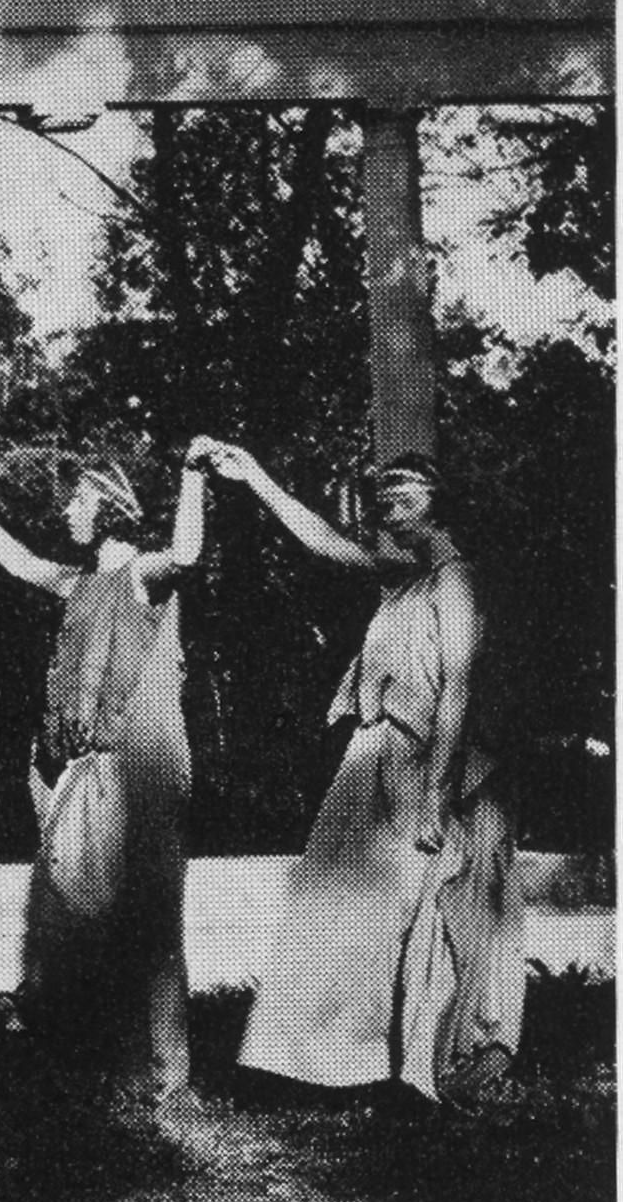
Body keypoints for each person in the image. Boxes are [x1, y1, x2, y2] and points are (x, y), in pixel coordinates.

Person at [202, 443, 517, 1101]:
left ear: (440, 498)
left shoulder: (455, 578)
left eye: (409, 487)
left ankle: (404, 1066)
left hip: (418, 765)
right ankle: (330, 1061)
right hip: (371, 761)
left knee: (397, 918)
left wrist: (435, 795)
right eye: (385, 488)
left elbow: (456, 689)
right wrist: (254, 473)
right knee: (337, 911)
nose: (389, 496)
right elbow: (322, 541)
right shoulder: (404, 575)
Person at [0, 448, 209, 1094]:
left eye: (78, 501)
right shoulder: (79, 580)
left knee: (147, 919)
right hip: (87, 769)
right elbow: (19, 562)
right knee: (71, 907)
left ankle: (163, 1071)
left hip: (138, 770)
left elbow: (186, 553)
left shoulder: (142, 575)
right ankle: (96, 1051)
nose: (66, 509)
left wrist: (193, 474)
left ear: (111, 512)